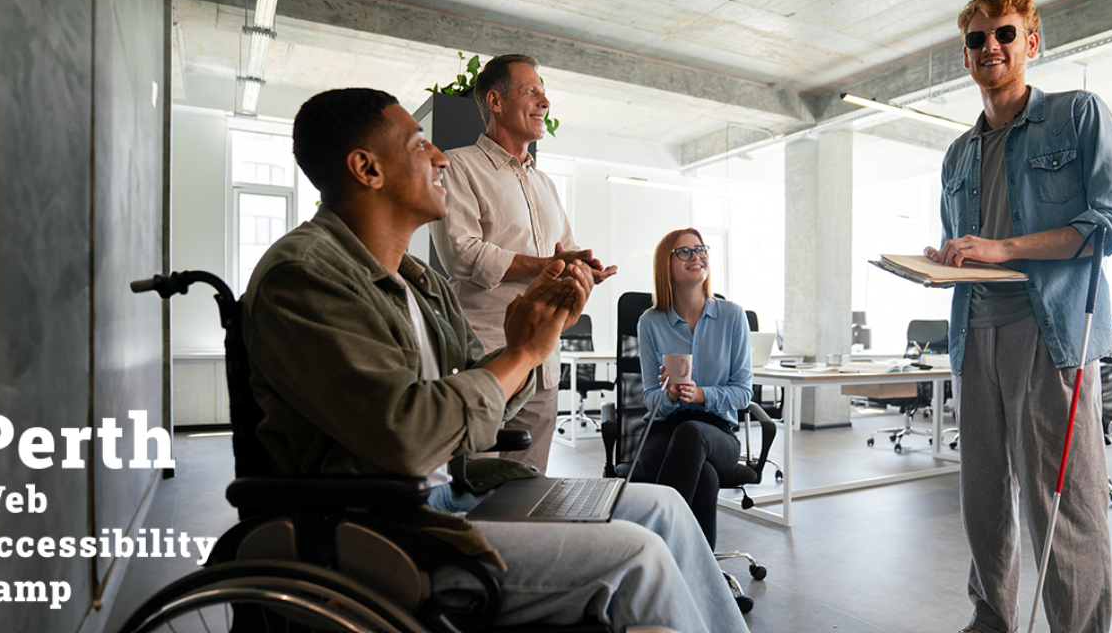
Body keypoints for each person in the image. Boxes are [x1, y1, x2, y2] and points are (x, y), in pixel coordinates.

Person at [241, 87, 747, 633]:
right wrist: (523, 352)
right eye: (418, 145)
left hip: (459, 492)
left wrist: (524, 344)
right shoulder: (307, 274)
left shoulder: (420, 282)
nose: (439, 157)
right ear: (366, 168)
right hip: (389, 526)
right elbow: (408, 434)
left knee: (663, 508)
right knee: (636, 557)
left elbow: (478, 405)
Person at [923, 0, 1112, 631]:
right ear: (965, 54)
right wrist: (948, 262)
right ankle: (991, 619)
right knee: (984, 502)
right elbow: (971, 244)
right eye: (978, 38)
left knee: (1062, 508)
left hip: (1049, 335)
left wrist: (1003, 247)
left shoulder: (1077, 116)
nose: (991, 46)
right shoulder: (958, 155)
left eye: (1005, 33)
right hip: (974, 336)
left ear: (1032, 43)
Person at [430, 54, 617, 471]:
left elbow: (562, 252)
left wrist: (582, 270)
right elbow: (461, 254)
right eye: (531, 91)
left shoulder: (544, 182)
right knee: (474, 491)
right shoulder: (457, 166)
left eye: (544, 92)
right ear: (495, 101)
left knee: (530, 494)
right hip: (487, 359)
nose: (544, 102)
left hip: (544, 368)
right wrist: (545, 265)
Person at [635, 228, 752, 549]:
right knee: (705, 479)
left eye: (701, 249)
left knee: (692, 432)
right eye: (684, 251)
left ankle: (651, 550)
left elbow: (744, 392)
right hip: (663, 432)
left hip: (718, 434)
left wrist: (701, 395)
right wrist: (668, 395)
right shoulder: (650, 322)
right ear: (665, 265)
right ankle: (701, 580)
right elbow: (647, 397)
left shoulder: (732, 316)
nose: (696, 256)